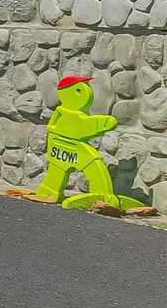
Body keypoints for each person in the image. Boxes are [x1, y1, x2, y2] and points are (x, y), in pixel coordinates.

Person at [32, 73, 147, 212]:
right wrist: (102, 123)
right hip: (62, 146)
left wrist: (100, 123)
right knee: (75, 167)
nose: (85, 92)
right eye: (79, 89)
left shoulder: (67, 114)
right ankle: (50, 190)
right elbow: (82, 126)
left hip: (68, 147)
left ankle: (102, 194)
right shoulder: (64, 113)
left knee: (94, 164)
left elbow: (79, 126)